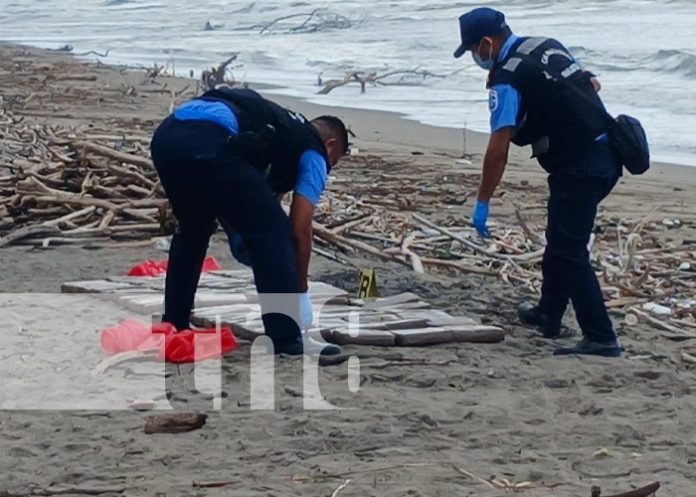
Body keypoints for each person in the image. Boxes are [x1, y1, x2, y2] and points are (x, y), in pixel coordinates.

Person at [453, 7, 623, 357]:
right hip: (607, 151)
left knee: (569, 251)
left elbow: (498, 147)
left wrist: (482, 201)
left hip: (580, 166)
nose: (475, 57)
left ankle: (601, 336)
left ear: (487, 43)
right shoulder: (547, 45)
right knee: (559, 238)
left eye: (473, 50)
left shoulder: (507, 78)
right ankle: (549, 313)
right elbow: (592, 82)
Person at [150, 87, 349, 357]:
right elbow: (299, 230)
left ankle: (174, 324)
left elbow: (245, 198)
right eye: (332, 163)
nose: (327, 168)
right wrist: (300, 294)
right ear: (331, 146)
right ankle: (288, 339)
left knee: (193, 232)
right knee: (275, 234)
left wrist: (241, 234)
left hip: (168, 136)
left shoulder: (280, 130)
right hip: (210, 141)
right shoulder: (314, 152)